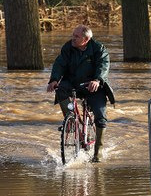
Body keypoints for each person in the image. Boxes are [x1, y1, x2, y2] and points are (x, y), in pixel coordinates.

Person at [47, 24, 115, 162]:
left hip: (94, 86)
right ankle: (70, 120)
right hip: (73, 83)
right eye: (73, 35)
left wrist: (97, 80)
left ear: (86, 39)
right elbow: (59, 63)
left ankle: (98, 152)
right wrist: (54, 80)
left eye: (76, 36)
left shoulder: (99, 49)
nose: (73, 38)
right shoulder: (68, 48)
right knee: (60, 89)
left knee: (101, 117)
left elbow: (104, 65)